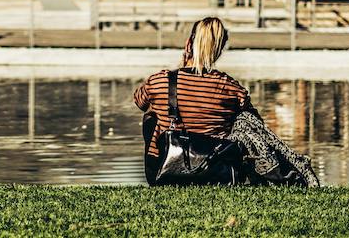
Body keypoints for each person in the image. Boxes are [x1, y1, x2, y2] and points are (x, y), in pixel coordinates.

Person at [134, 16, 317, 186]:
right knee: (241, 118)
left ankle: (160, 164)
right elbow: (254, 121)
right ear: (219, 50)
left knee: (151, 116)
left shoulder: (160, 80)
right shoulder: (230, 87)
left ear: (188, 44)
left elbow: (140, 102)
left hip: (163, 171)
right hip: (215, 171)